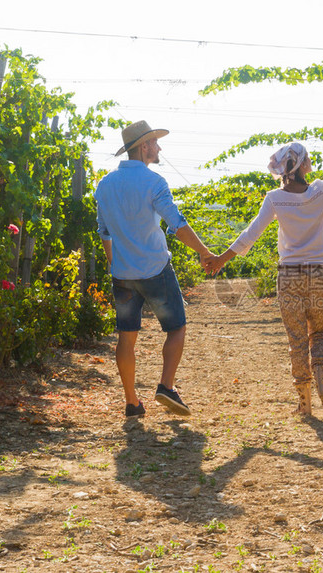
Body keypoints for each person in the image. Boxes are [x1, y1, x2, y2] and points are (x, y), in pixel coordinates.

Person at [206, 120, 323, 416]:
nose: (309, 162)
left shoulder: (275, 199)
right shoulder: (320, 191)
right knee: (319, 331)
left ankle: (304, 401)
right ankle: (321, 379)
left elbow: (250, 235)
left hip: (290, 276)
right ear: (302, 165)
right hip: (320, 273)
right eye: (307, 158)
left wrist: (220, 259)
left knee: (297, 338)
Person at [95, 120, 214, 418]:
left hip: (122, 274)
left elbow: (104, 232)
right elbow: (177, 224)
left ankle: (132, 402)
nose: (159, 147)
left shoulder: (105, 185)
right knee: (176, 328)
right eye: (155, 143)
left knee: (126, 336)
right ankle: (166, 387)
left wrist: (115, 263)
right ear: (144, 146)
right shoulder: (154, 182)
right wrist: (204, 252)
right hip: (155, 269)